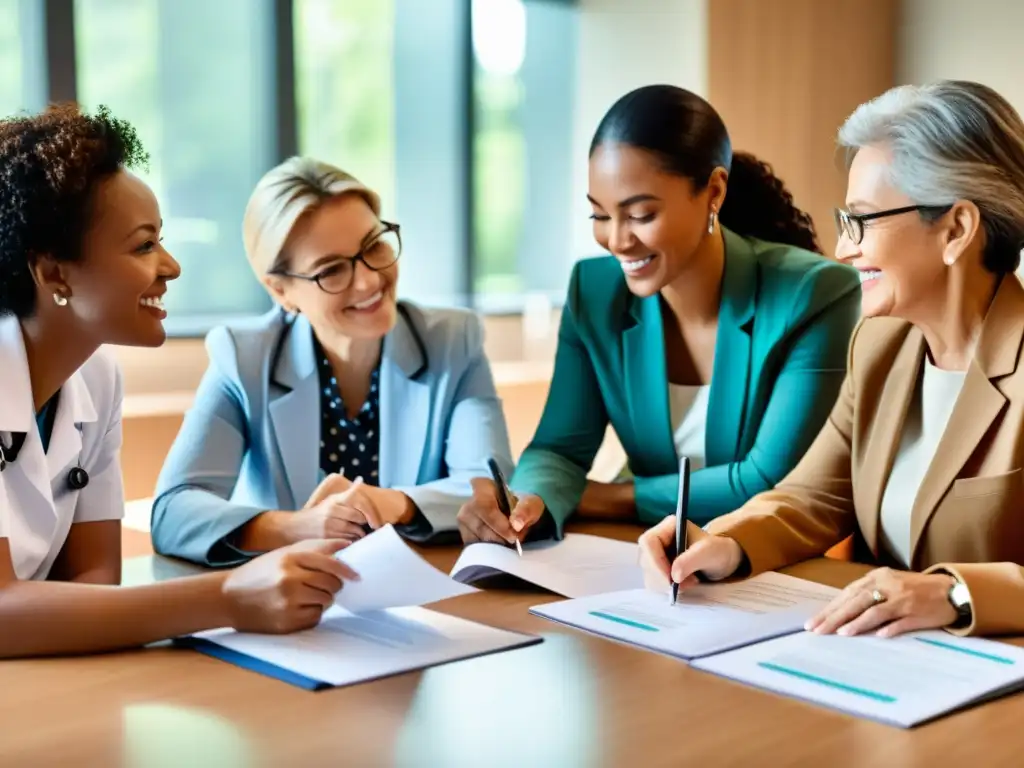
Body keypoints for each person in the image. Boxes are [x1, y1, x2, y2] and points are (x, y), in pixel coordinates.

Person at [639, 80, 1024, 638]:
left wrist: (955, 593)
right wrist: (724, 541)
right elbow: (813, 495)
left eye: (862, 221)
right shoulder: (879, 342)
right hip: (884, 664)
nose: (844, 248)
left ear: (956, 229)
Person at [0, 105, 357, 659]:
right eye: (144, 245)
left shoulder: (95, 378)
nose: (171, 267)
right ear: (53, 273)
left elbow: (96, 575)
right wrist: (229, 597)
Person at [456, 84, 861, 546]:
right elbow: (559, 449)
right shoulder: (594, 292)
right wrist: (529, 503)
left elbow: (771, 481)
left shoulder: (815, 294)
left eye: (641, 214)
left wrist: (607, 498)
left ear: (713, 191)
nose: (617, 240)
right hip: (642, 550)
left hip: (766, 558)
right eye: (600, 216)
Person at [151, 157, 513, 567]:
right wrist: (299, 527)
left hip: (422, 595)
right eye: (332, 270)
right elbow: (172, 512)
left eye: (374, 245)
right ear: (281, 291)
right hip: (293, 604)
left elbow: (489, 489)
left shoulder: (452, 341)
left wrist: (394, 504)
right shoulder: (244, 358)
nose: (370, 281)